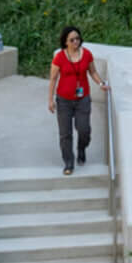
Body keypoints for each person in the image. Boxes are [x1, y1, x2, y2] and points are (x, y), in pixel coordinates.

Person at [45, 25, 108, 175]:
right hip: (64, 100)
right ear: (65, 42)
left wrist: (101, 83)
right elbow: (53, 79)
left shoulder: (86, 55)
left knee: (84, 129)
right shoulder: (59, 57)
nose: (75, 42)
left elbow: (92, 71)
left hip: (82, 99)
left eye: (77, 39)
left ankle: (81, 148)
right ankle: (68, 162)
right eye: (72, 40)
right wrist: (50, 100)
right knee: (65, 134)